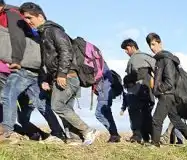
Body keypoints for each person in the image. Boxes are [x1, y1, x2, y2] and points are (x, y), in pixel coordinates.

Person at [20, 2, 98, 145]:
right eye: (25, 19)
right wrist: (45, 78)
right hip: (63, 76)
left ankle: (87, 130)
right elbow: (48, 61)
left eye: (29, 18)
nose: (28, 21)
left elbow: (66, 51)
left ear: (40, 16)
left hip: (68, 76)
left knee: (57, 106)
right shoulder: (44, 33)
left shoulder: (52, 30)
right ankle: (74, 138)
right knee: (66, 108)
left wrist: (62, 74)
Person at [0, 10, 64, 144]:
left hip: (24, 68)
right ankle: (58, 132)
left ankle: (7, 131)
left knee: (8, 95)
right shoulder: (35, 34)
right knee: (40, 103)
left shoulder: (12, 23)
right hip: (37, 70)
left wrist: (16, 60)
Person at [146, 32, 187, 147]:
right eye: (150, 45)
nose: (152, 48)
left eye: (153, 44)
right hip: (169, 94)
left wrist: (159, 89)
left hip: (167, 94)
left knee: (157, 119)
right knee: (176, 120)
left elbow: (170, 81)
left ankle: (155, 144)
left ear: (160, 43)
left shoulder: (166, 59)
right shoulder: (160, 59)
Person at [121, 38, 154, 143]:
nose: (125, 52)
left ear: (132, 47)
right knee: (145, 115)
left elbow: (141, 73)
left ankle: (138, 136)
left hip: (139, 90)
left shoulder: (137, 57)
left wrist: (127, 79)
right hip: (146, 91)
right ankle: (149, 138)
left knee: (137, 113)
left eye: (126, 49)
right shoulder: (145, 56)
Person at [94, 62, 120, 142]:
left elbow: (108, 79)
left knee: (99, 114)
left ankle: (114, 134)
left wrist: (101, 89)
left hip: (104, 93)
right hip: (106, 93)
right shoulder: (100, 63)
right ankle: (114, 135)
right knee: (108, 114)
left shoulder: (98, 63)